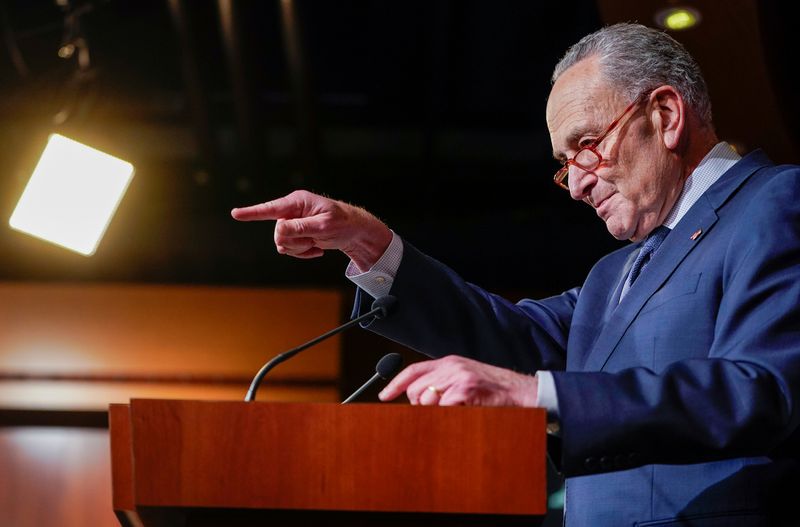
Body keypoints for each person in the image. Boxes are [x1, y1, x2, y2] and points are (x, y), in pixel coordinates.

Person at [232, 23, 800, 526]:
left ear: (666, 115)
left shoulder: (776, 203)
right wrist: (369, 243)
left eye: (586, 145)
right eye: (564, 163)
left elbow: (765, 390)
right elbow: (508, 338)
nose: (576, 183)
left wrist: (537, 394)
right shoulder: (614, 273)